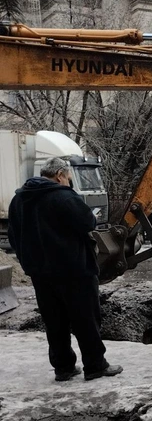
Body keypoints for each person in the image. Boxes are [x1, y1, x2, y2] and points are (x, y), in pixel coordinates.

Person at [8, 157, 123, 382]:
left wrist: (29, 261)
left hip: (41, 274)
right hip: (74, 270)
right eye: (69, 176)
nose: (69, 180)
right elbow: (88, 223)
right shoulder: (64, 197)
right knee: (85, 319)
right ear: (60, 174)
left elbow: (14, 236)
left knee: (55, 322)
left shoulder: (19, 200)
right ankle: (95, 365)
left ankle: (63, 368)